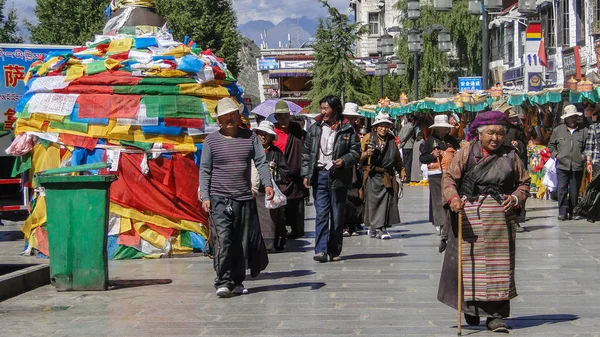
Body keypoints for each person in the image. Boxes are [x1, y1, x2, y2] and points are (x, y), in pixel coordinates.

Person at [438, 110, 531, 333]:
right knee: (472, 266)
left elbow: (524, 183)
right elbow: (449, 178)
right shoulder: (466, 152)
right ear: (479, 133)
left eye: (500, 133)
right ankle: (472, 309)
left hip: (500, 218)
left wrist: (516, 197)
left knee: (500, 268)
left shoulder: (511, 155)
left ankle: (496, 316)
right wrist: (453, 198)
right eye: (491, 133)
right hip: (470, 216)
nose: (496, 138)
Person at [199, 97, 274, 298]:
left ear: (239, 117)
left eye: (232, 115)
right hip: (219, 198)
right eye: (225, 116)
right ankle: (223, 281)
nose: (229, 119)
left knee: (242, 241)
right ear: (219, 121)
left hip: (243, 198)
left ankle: (238, 280)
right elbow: (205, 170)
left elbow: (261, 162)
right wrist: (205, 196)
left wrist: (267, 184)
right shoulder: (211, 141)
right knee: (224, 239)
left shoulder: (250, 138)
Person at [301, 95, 361, 262]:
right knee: (321, 214)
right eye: (322, 108)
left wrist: (344, 160)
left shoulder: (347, 129)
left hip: (338, 176)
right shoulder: (315, 128)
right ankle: (320, 250)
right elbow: (306, 153)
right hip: (319, 175)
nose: (323, 112)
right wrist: (306, 174)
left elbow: (356, 153)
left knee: (337, 214)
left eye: (326, 108)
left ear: (335, 110)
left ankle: (333, 249)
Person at [360, 113, 405, 239]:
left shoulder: (391, 140)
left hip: (386, 175)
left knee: (386, 202)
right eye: (381, 126)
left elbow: (397, 158)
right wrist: (365, 154)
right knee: (372, 203)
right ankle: (374, 226)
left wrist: (401, 170)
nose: (383, 129)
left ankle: (382, 228)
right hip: (373, 174)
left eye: (386, 126)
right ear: (376, 127)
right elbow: (358, 155)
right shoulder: (368, 137)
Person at [271, 101, 309, 240]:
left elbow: (306, 147)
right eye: (280, 117)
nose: (283, 119)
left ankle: (297, 230)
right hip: (278, 172)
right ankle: (279, 230)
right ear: (275, 117)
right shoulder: (272, 131)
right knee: (279, 205)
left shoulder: (297, 130)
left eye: (286, 116)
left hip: (296, 172)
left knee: (297, 204)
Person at [420, 114, 460, 234]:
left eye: (445, 128)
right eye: (441, 128)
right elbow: (422, 158)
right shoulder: (430, 140)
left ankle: (450, 222)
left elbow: (458, 151)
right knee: (438, 199)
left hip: (450, 173)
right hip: (436, 174)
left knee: (449, 197)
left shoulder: (451, 139)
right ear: (436, 128)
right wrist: (432, 155)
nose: (443, 130)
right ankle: (441, 223)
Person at [253, 120, 290, 252]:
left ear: (271, 137)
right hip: (256, 190)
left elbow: (285, 170)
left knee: (273, 218)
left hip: (271, 190)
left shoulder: (276, 152)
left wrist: (274, 174)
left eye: (266, 134)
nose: (263, 137)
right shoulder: (252, 150)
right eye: (260, 134)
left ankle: (272, 243)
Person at [548, 105, 588, 221]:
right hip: (562, 165)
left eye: (574, 117)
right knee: (562, 190)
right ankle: (562, 212)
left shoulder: (584, 131)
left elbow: (588, 146)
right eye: (570, 117)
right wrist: (556, 155)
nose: (573, 119)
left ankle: (574, 211)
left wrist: (583, 157)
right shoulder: (558, 130)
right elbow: (551, 146)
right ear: (566, 118)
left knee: (575, 191)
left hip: (577, 165)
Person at [341, 102, 365, 237]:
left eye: (353, 117)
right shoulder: (341, 129)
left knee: (356, 196)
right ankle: (344, 224)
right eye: (349, 117)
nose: (351, 120)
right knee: (344, 196)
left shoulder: (359, 131)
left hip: (357, 167)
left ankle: (355, 223)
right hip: (344, 165)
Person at [577, 107, 600, 222]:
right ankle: (592, 211)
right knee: (596, 188)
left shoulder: (593, 127)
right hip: (597, 162)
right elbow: (589, 147)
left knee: (597, 189)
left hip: (596, 162)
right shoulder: (593, 128)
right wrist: (588, 161)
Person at [398, 114, 417, 182]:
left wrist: (402, 141)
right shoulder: (411, 127)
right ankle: (408, 178)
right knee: (409, 162)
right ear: (413, 120)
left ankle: (405, 176)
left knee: (405, 162)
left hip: (404, 146)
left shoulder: (404, 126)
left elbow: (399, 136)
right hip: (410, 146)